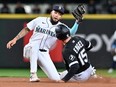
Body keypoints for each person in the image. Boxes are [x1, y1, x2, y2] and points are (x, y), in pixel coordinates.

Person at [6, 5, 84, 82]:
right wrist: (15, 39)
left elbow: (70, 33)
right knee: (35, 44)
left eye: (60, 14)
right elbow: (27, 29)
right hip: (30, 49)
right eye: (55, 12)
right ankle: (33, 74)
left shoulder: (61, 27)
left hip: (44, 53)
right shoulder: (39, 20)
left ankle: (69, 74)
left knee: (56, 78)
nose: (57, 15)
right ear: (51, 12)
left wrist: (77, 22)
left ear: (61, 17)